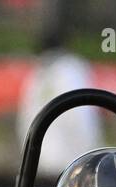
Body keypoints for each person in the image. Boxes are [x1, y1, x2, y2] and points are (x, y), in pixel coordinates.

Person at [16, 18, 101, 176]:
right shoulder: (70, 70)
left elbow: (24, 120)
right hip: (69, 166)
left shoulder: (37, 73)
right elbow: (81, 119)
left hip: (39, 165)